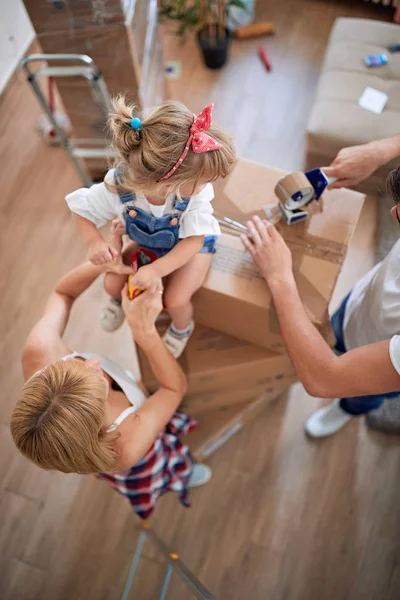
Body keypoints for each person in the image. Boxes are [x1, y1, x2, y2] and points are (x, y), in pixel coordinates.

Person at [10, 246, 211, 520]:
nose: (93, 363)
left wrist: (105, 265)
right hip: (139, 455)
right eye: (97, 378)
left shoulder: (40, 350)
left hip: (83, 440)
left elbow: (62, 294)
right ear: (101, 417)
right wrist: (145, 333)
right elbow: (174, 388)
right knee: (165, 464)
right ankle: (178, 476)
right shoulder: (126, 446)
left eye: (76, 364)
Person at [66, 97, 236, 358]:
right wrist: (94, 243)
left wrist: (157, 270)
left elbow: (194, 241)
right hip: (151, 243)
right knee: (111, 284)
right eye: (203, 181)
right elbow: (81, 211)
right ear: (168, 184)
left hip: (192, 246)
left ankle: (181, 327)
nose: (207, 187)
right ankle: (117, 299)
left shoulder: (195, 197)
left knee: (176, 300)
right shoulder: (119, 185)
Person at [241, 165, 400, 438]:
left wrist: (280, 276)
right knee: (337, 330)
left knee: (364, 396)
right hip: (363, 304)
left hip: (383, 359)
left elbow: (324, 379)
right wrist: (379, 150)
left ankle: (346, 409)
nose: (393, 212)